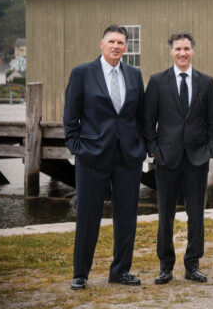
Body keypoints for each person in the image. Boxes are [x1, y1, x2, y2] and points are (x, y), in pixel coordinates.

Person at [64, 24, 147, 290]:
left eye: (121, 42)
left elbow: (141, 116)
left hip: (127, 157)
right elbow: (70, 117)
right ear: (101, 45)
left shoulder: (134, 74)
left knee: (127, 216)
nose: (116, 46)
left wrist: (141, 147)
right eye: (111, 41)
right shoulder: (82, 73)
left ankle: (120, 271)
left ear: (126, 47)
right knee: (88, 216)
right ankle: (81, 273)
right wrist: (76, 147)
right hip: (92, 156)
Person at [142, 31, 213, 284]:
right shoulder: (157, 81)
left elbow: (212, 121)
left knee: (196, 213)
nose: (182, 53)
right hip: (167, 157)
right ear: (171, 51)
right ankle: (165, 265)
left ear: (193, 50)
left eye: (186, 48)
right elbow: (148, 121)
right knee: (166, 213)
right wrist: (154, 149)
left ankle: (192, 264)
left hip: (197, 158)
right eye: (178, 49)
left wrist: (210, 148)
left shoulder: (206, 82)